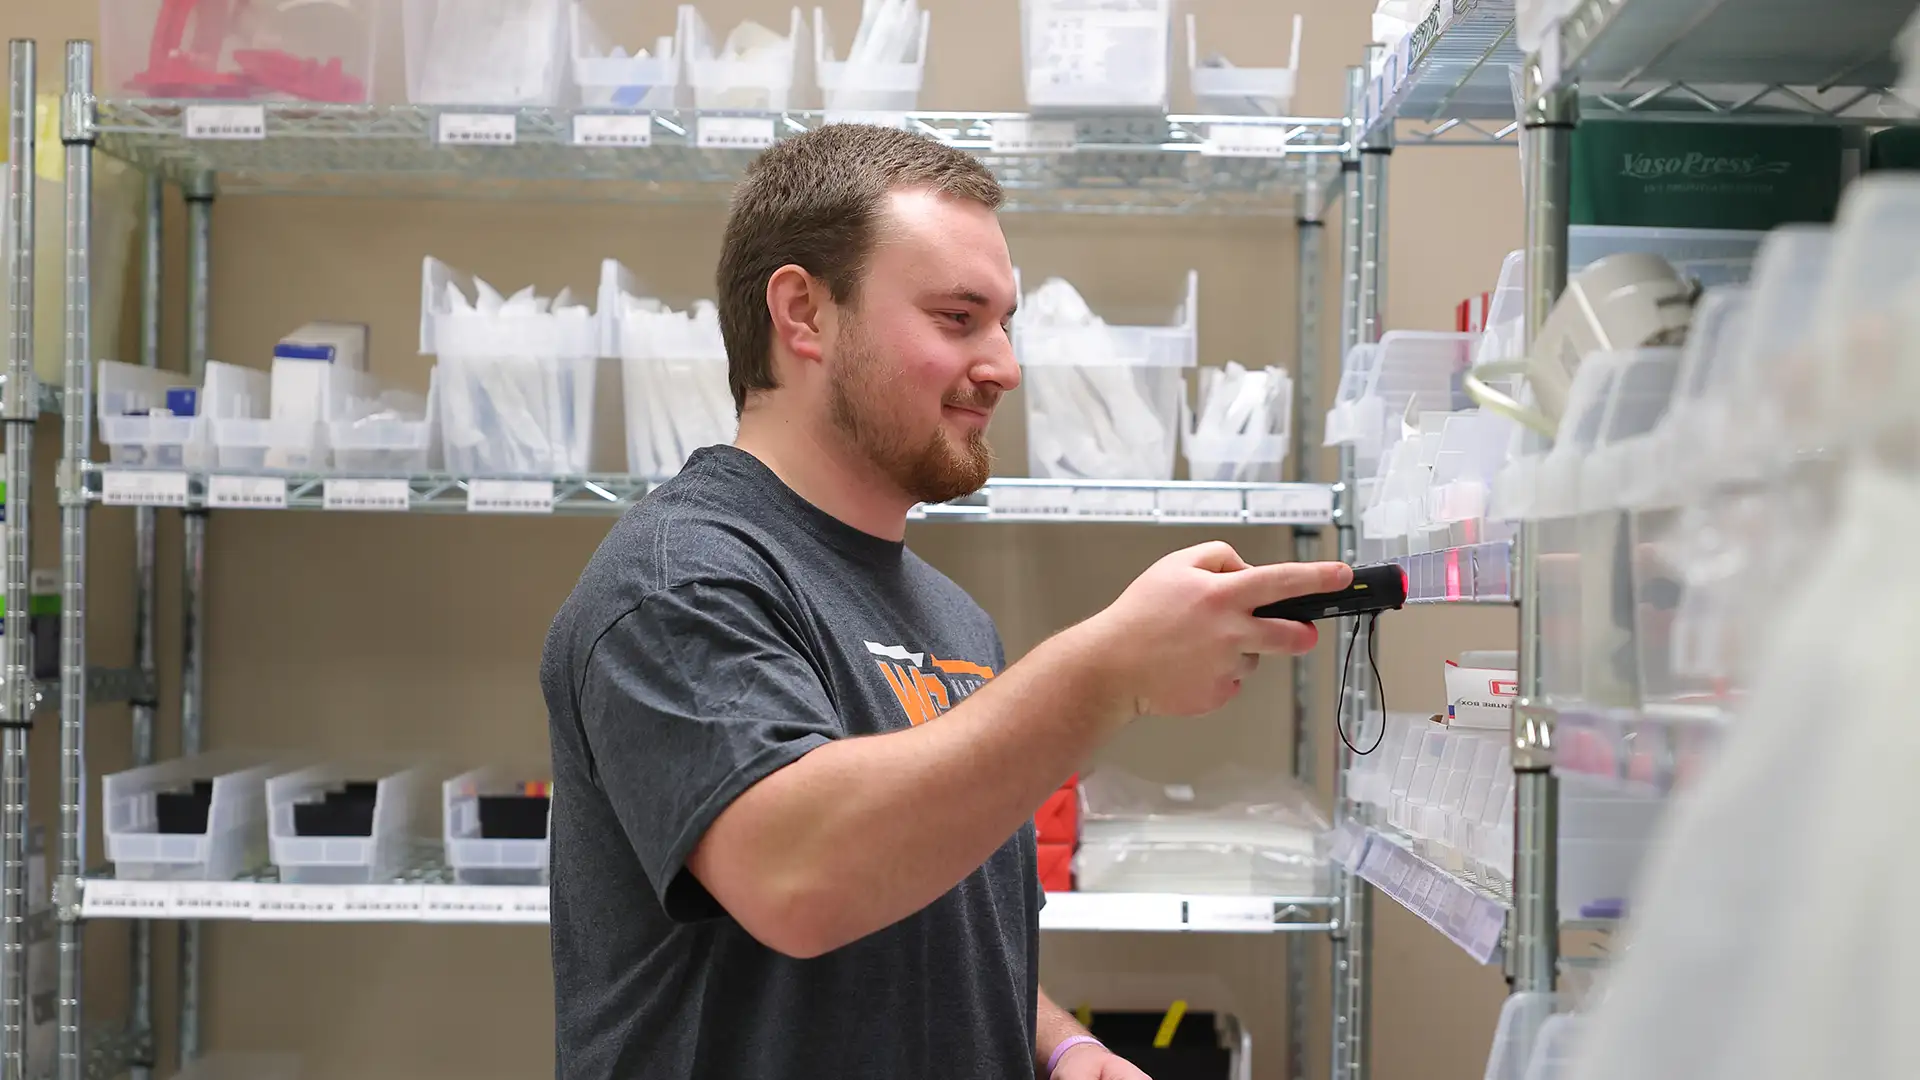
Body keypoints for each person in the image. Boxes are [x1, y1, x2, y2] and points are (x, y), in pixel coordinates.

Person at [540, 123, 1351, 1080]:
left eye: (1005, 324)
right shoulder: (680, 580)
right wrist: (1107, 674)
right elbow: (796, 878)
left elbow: (934, 916)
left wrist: (1059, 1044)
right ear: (804, 313)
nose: (1004, 366)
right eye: (958, 318)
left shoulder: (953, 619)